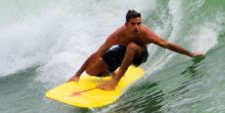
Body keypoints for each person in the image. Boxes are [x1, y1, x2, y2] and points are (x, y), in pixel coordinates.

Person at [69, 10, 204, 90]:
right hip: (123, 51)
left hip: (139, 54)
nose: (137, 27)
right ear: (126, 24)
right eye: (133, 24)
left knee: (132, 46)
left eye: (139, 23)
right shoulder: (117, 35)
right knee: (91, 71)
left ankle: (115, 82)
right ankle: (110, 74)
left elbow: (166, 44)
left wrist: (190, 54)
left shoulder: (145, 34)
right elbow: (98, 52)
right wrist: (77, 74)